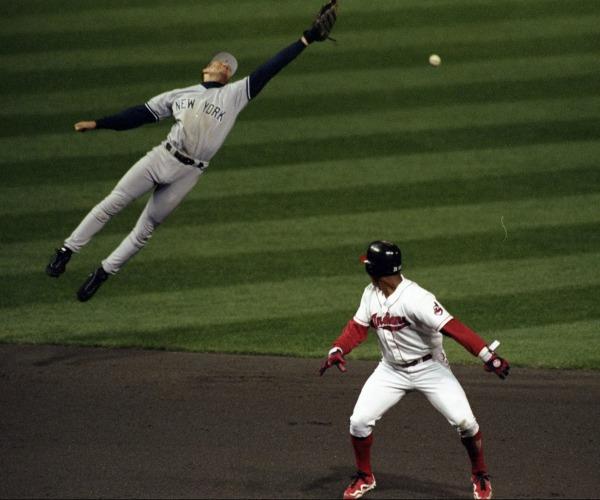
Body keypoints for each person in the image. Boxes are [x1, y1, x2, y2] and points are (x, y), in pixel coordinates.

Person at [45, 1, 338, 301]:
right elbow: (137, 115)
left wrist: (306, 39)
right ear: (207, 69)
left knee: (144, 231)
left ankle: (103, 273)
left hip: (189, 172)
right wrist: (98, 124)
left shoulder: (234, 94)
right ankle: (66, 251)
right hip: (161, 157)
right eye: (220, 63)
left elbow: (270, 68)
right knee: (113, 203)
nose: (225, 66)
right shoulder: (179, 95)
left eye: (229, 66)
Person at [319, 240, 510, 500]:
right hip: (390, 371)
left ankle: (480, 473)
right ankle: (365, 476)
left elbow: (452, 326)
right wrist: (338, 349)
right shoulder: (370, 293)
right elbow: (357, 326)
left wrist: (488, 355)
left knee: (465, 422)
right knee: (359, 422)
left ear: (374, 270)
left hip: (430, 368)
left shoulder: (416, 298)